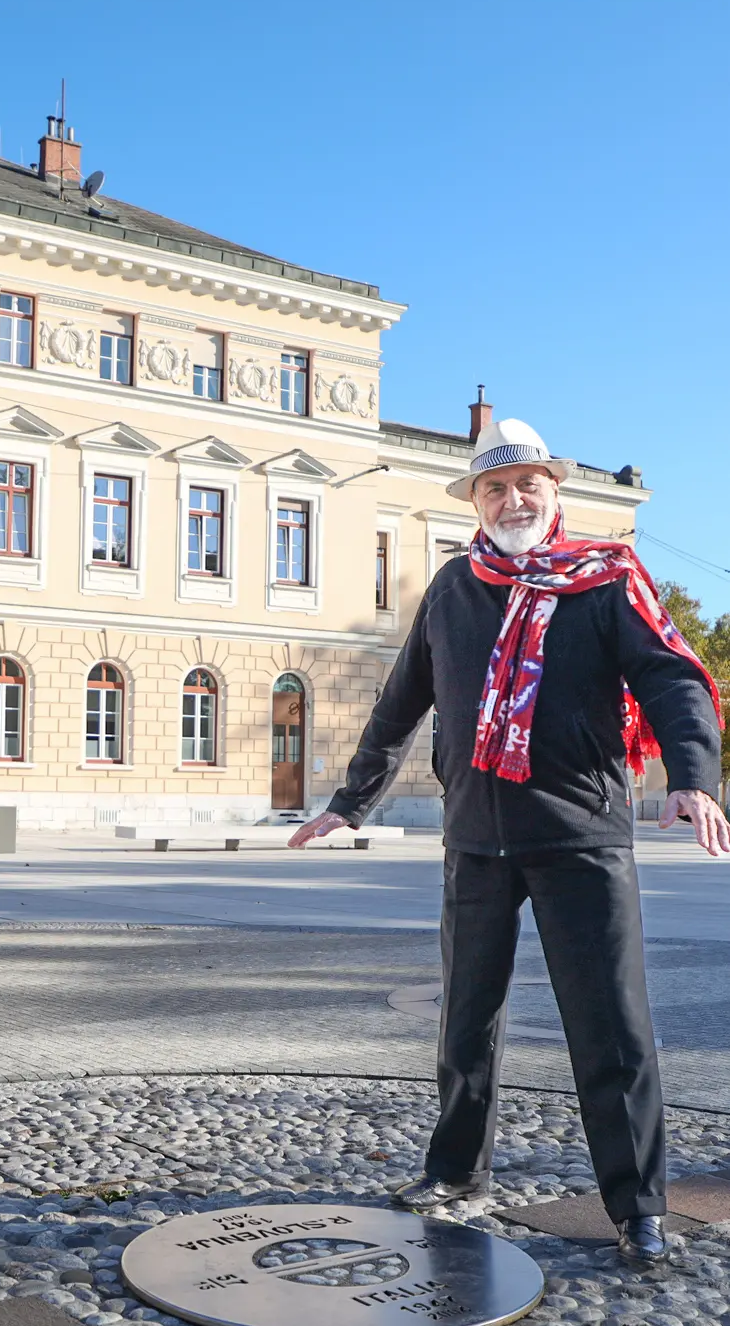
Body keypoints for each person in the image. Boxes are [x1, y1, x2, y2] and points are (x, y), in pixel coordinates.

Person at [290, 417, 727, 1264]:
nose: (513, 498)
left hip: (580, 835)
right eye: (496, 487)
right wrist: (351, 802)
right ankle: (458, 1174)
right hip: (476, 837)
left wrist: (692, 776)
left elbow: (672, 676)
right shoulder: (454, 586)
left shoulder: (606, 578)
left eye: (529, 483)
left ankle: (637, 1205)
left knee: (611, 1024)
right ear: (477, 502)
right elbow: (400, 702)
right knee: (466, 1018)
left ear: (554, 492)